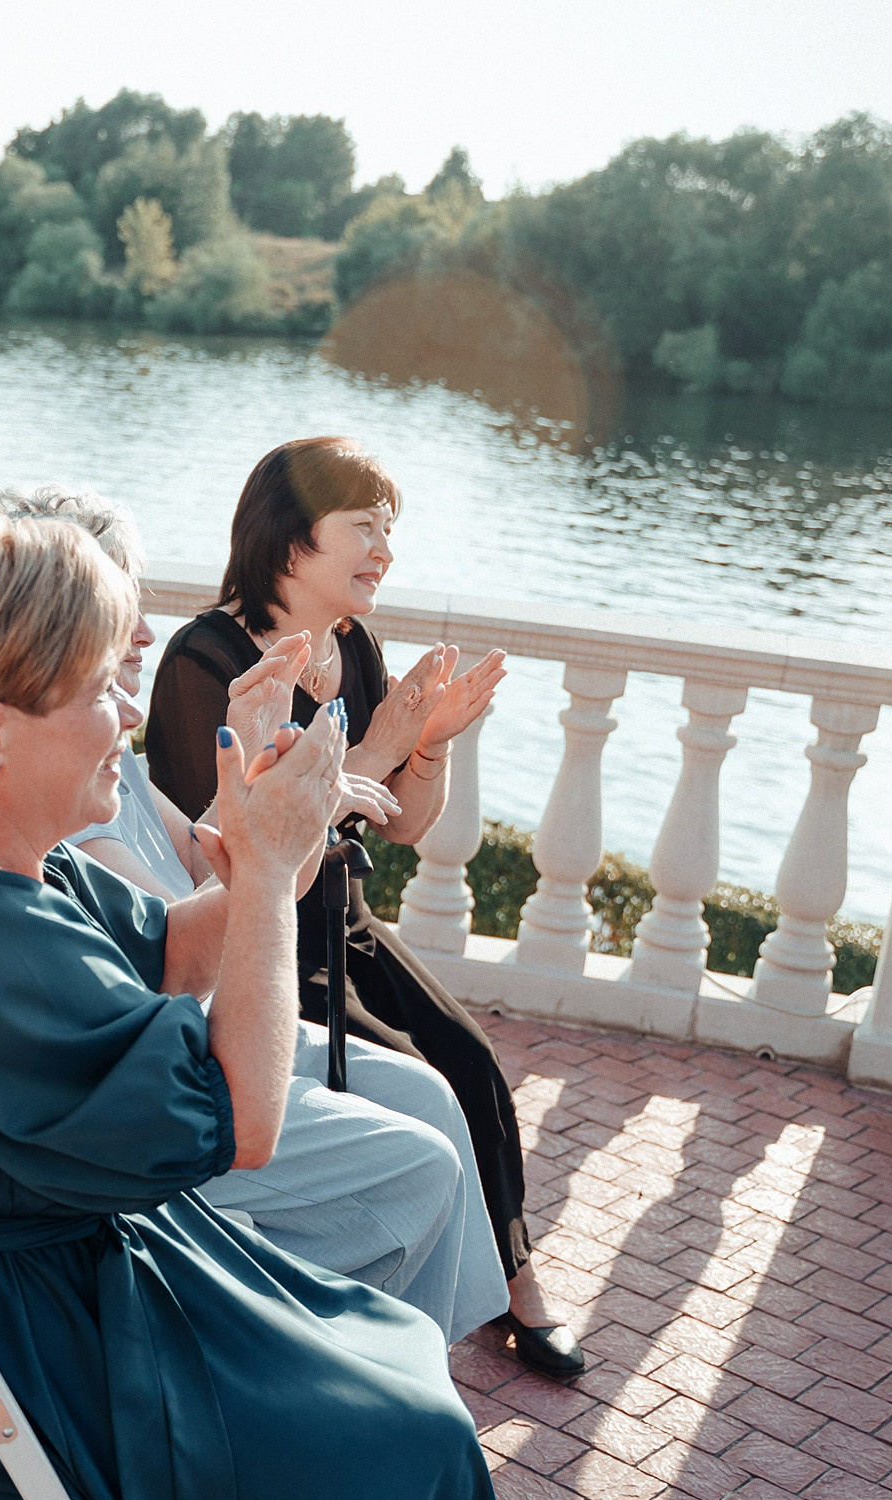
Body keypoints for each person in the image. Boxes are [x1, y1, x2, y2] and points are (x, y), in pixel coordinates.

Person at [0, 509, 538, 1500]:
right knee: (413, 1444)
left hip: (56, 1283)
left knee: (402, 1376)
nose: (129, 713)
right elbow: (247, 1117)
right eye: (97, 688)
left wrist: (264, 840)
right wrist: (266, 860)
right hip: (41, 1367)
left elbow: (182, 950)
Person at [0, 483, 510, 1337]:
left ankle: (402, 1360)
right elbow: (190, 957)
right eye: (120, 607)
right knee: (422, 1167)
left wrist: (271, 776)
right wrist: (300, 809)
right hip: (162, 1078)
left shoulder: (102, 771)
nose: (145, 631)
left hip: (181, 1046)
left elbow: (210, 858)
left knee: (436, 1095)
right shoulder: (47, 815)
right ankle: (338, 1362)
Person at [145, 435, 588, 1378]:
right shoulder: (206, 661)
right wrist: (378, 747)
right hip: (251, 934)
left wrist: (428, 744)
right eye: (362, 527)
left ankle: (512, 1282)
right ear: (293, 541)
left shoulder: (355, 646)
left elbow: (401, 825)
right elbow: (233, 849)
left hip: (342, 919)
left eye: (391, 529)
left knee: (468, 1059)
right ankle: (378, 1314)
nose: (383, 548)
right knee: (414, 1088)